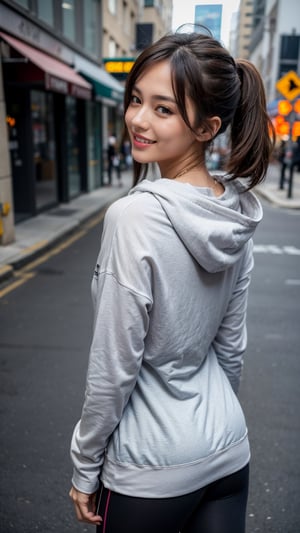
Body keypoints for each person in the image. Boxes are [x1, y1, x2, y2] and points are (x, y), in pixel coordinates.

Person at [69, 28, 275, 533]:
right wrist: (208, 428)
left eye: (163, 109)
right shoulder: (235, 210)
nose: (138, 119)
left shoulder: (133, 217)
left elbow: (114, 366)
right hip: (227, 450)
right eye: (137, 99)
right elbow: (230, 348)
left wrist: (85, 465)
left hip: (151, 467)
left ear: (207, 128)